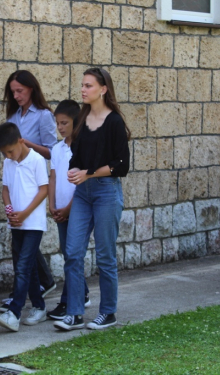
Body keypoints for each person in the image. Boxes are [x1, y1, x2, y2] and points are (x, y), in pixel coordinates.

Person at [54, 68, 131, 331]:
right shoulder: (83, 116)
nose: (83, 90)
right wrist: (75, 170)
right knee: (73, 252)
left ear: (103, 89)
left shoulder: (114, 121)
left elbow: (121, 165)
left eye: (88, 85)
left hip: (106, 191)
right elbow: (77, 155)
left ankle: (108, 312)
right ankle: (75, 313)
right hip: (84, 193)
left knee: (105, 255)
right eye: (82, 85)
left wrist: (86, 173)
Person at [0, 70, 57, 312]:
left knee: (26, 252)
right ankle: (36, 290)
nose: (16, 95)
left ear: (31, 89)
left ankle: (20, 300)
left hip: (34, 177)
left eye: (20, 91)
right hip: (17, 181)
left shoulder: (43, 116)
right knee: (23, 251)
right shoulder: (13, 115)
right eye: (13, 92)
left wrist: (26, 145)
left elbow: (54, 151)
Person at [0, 122, 49, 332]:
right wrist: (9, 210)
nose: (8, 156)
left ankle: (14, 313)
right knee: (27, 266)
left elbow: (44, 190)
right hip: (16, 223)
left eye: (10, 151)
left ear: (21, 142)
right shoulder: (9, 163)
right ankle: (39, 307)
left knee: (23, 267)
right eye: (4, 153)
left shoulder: (37, 160)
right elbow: (5, 190)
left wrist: (24, 214)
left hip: (33, 223)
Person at [47, 100, 93, 321]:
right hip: (60, 209)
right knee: (68, 254)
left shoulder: (83, 146)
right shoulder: (57, 149)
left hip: (77, 208)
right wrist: (52, 204)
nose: (60, 127)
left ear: (76, 122)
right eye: (57, 123)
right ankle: (81, 293)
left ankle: (68, 302)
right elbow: (53, 177)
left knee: (73, 255)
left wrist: (68, 208)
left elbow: (82, 183)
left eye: (64, 123)